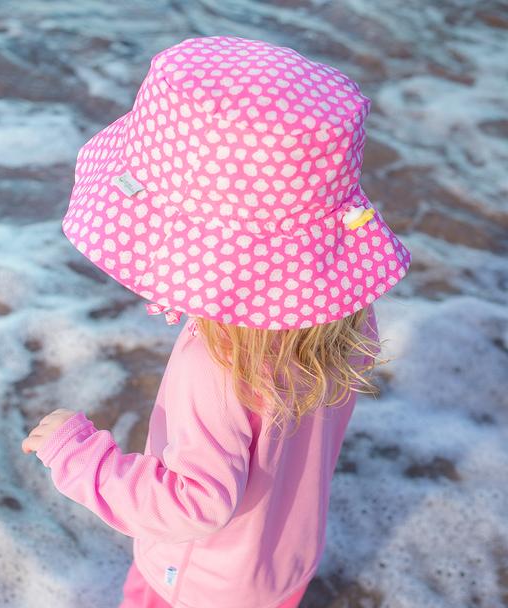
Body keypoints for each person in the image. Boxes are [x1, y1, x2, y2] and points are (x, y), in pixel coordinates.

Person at [21, 35, 411, 608]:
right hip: (283, 560)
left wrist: (78, 456)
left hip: (197, 583)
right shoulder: (345, 317)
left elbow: (195, 504)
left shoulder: (219, 362)